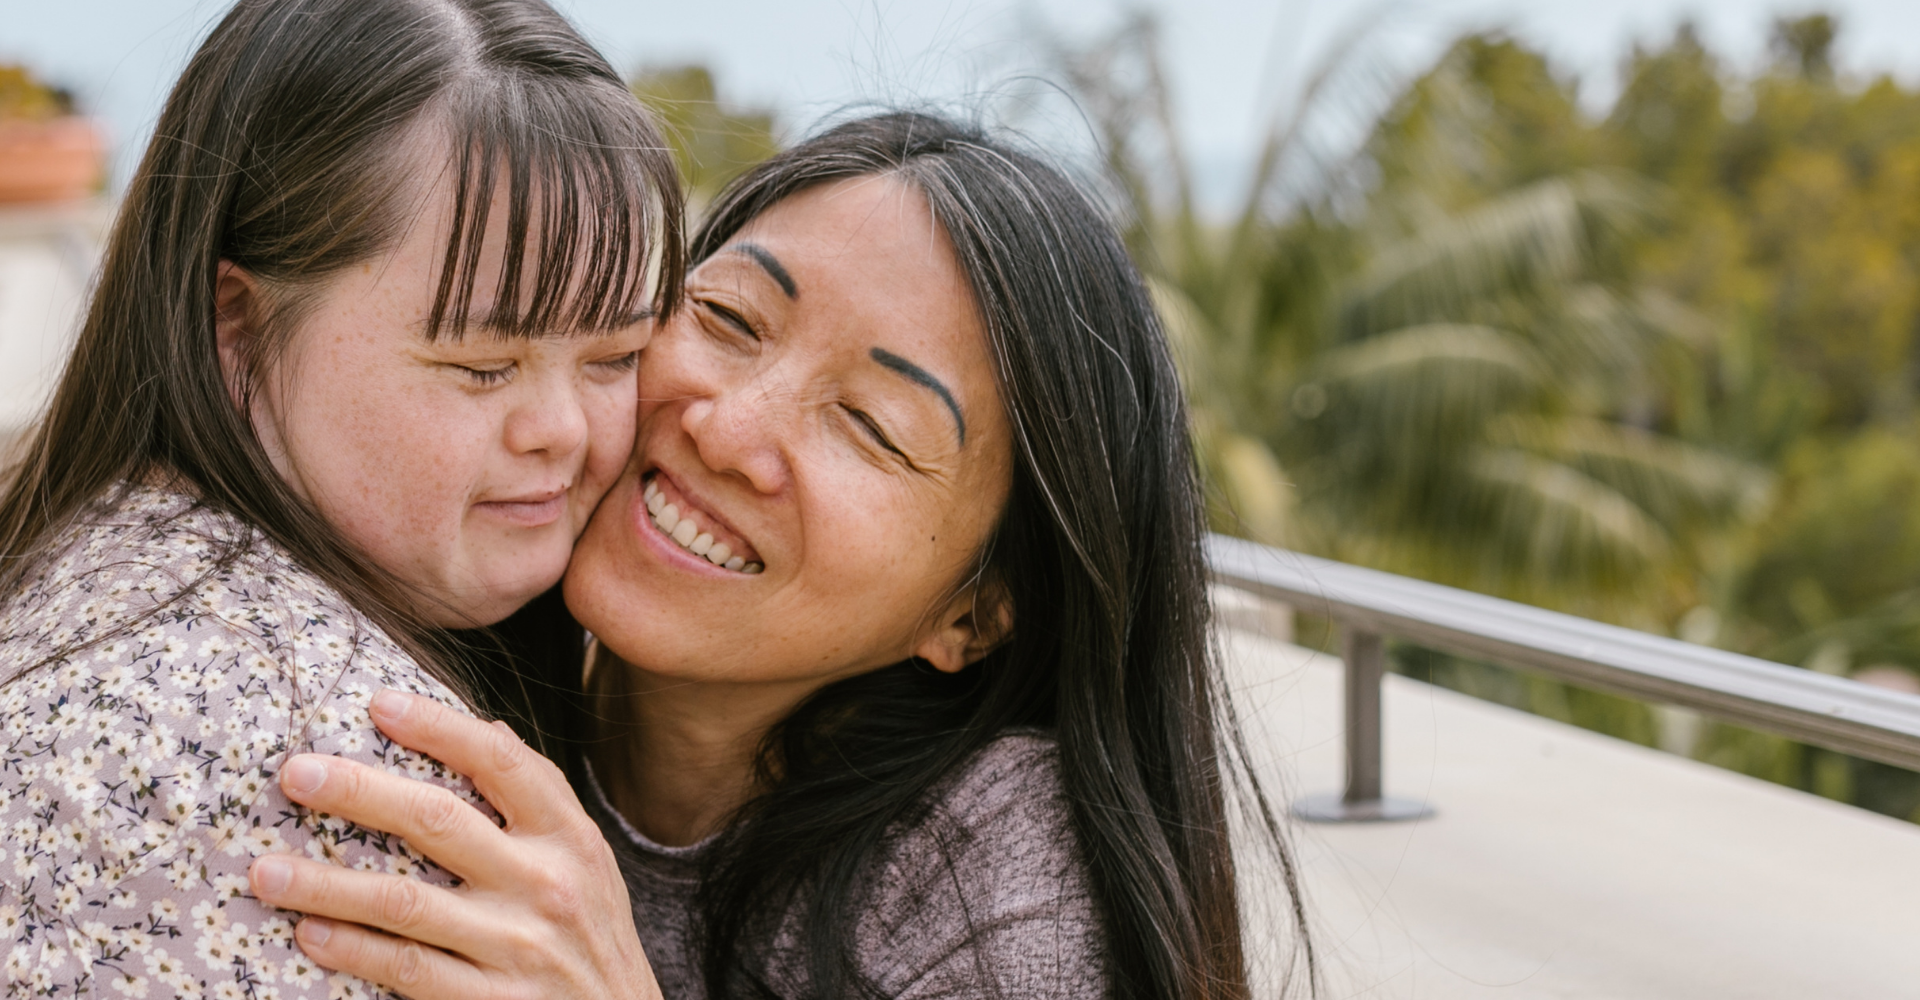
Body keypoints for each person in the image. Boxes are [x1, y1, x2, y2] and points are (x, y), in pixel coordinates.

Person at [246, 112, 1316, 1000]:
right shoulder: (398, 647)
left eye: (870, 424)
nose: (725, 426)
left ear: (976, 614)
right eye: (728, 317)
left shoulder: (1002, 895)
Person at [0, 0, 682, 996]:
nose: (565, 430)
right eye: (483, 364)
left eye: (614, 354)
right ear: (237, 327)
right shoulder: (335, 775)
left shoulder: (88, 559)